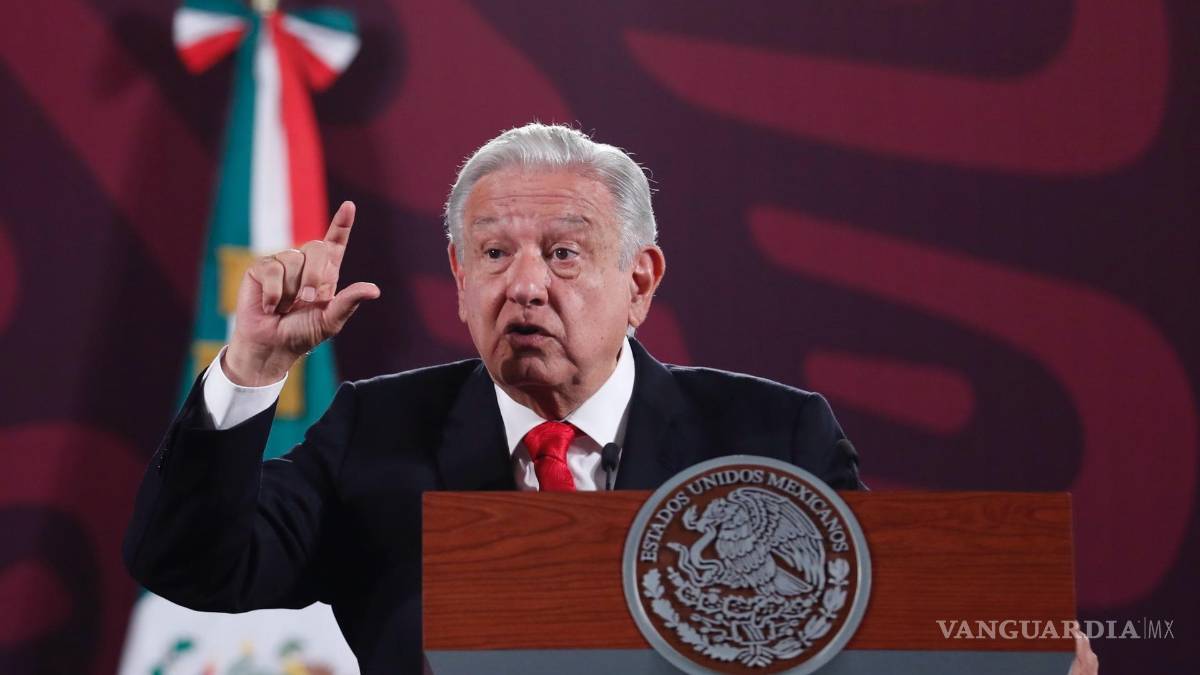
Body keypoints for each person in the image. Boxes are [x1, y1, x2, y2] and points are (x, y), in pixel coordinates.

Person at [123, 124, 1091, 674]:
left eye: (564, 253)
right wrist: (251, 368)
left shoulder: (771, 434)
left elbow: (861, 636)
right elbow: (194, 565)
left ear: (640, 280)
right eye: (493, 254)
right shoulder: (374, 432)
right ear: (458, 279)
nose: (525, 285)